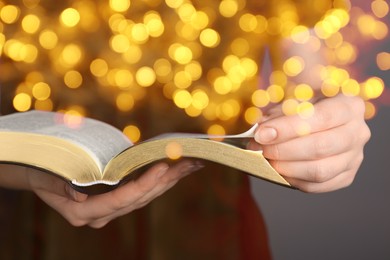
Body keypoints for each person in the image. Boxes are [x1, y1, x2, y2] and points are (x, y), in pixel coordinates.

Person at [0, 0, 372, 259]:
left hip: (212, 236)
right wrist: (32, 173)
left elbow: (309, 80)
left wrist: (325, 131)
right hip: (32, 238)